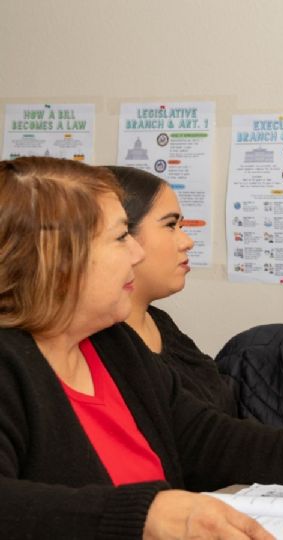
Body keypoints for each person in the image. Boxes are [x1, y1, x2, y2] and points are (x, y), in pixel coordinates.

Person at [0, 157, 283, 539]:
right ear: (57, 259)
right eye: (121, 236)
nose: (137, 251)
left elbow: (210, 439)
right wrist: (147, 515)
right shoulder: (11, 364)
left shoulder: (112, 344)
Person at [107, 166, 235, 415]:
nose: (187, 241)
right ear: (122, 235)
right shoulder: (105, 348)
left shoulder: (160, 322)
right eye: (170, 225)